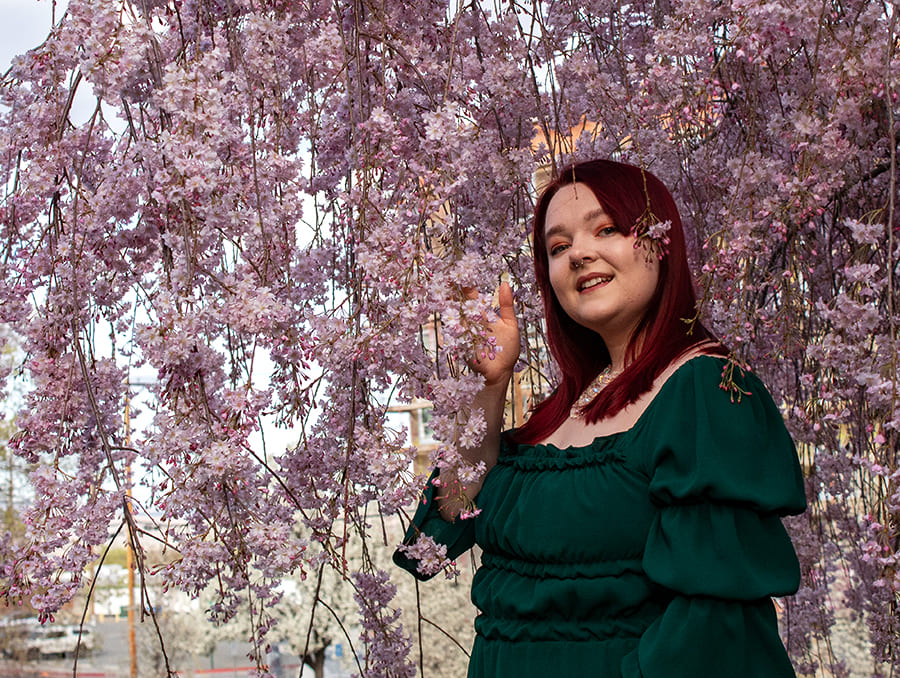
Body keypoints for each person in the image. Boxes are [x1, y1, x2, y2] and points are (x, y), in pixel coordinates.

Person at [394, 159, 807, 677]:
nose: (579, 254)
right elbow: (442, 530)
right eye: (558, 248)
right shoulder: (565, 407)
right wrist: (489, 385)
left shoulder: (705, 391)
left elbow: (711, 624)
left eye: (606, 229)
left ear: (660, 241)